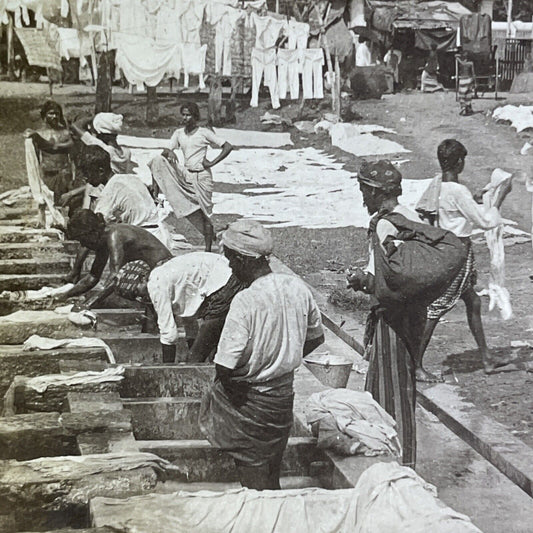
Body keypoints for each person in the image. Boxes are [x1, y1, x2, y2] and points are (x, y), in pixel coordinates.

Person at [200, 219, 324, 490]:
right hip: (281, 400)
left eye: (231, 260)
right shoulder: (297, 288)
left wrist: (248, 378)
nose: (230, 267)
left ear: (242, 260)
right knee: (271, 475)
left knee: (253, 481)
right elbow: (317, 337)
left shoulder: (246, 300)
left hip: (252, 402)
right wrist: (283, 358)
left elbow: (225, 366)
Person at [347, 160, 426, 468]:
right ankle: (395, 460)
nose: (363, 198)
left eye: (364, 191)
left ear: (374, 191)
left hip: (394, 317)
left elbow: (384, 277)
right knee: (395, 387)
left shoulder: (385, 224)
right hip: (411, 314)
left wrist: (359, 280)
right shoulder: (411, 216)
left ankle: (400, 465)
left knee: (392, 393)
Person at [415, 139, 513, 380]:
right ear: (459, 162)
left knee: (473, 302)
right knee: (437, 308)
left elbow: (452, 209)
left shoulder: (439, 185)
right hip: (457, 253)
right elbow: (486, 221)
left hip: (447, 248)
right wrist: (499, 198)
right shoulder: (459, 191)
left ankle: (487, 358)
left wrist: (476, 199)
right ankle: (415, 364)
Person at [65, 145, 171, 284]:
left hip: (146, 241)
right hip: (161, 236)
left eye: (87, 173)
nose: (85, 178)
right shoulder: (130, 178)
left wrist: (76, 269)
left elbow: (90, 229)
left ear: (101, 171)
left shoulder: (110, 191)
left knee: (121, 282)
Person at [149, 102, 233, 252]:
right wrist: (169, 152)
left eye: (188, 115)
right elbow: (165, 151)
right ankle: (155, 193)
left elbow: (227, 146)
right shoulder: (178, 133)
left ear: (195, 117)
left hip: (202, 176)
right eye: (183, 115)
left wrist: (212, 163)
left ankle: (208, 248)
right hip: (186, 174)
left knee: (204, 213)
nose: (185, 118)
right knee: (157, 161)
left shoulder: (204, 132)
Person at [147, 251, 247, 363]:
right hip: (225, 273)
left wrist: (166, 369)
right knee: (208, 349)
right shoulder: (166, 274)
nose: (140, 299)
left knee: (199, 353)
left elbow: (169, 334)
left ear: (143, 279)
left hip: (223, 280)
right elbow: (189, 318)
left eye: (135, 292)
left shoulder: (155, 283)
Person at [62, 209, 172, 309]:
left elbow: (115, 277)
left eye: (82, 240)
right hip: (154, 273)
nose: (83, 245)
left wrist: (88, 304)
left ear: (92, 233)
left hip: (165, 270)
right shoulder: (102, 239)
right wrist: (63, 296)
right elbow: (92, 277)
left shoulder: (115, 236)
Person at [23, 100, 75, 205]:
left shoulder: (65, 133)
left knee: (67, 203)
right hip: (49, 174)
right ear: (44, 115)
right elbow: (35, 159)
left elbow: (70, 151)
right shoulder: (39, 133)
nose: (54, 116)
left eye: (57, 113)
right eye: (51, 113)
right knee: (50, 203)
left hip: (65, 173)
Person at [70, 112, 136, 174]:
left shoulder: (103, 149)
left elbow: (75, 126)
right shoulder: (126, 152)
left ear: (100, 134)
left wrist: (94, 117)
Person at [456, 49, 475, 116]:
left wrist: (458, 57)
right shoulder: (470, 63)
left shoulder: (461, 63)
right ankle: (468, 108)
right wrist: (474, 81)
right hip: (469, 79)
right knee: (468, 94)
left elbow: (456, 56)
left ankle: (464, 108)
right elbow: (473, 73)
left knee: (462, 95)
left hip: (462, 80)